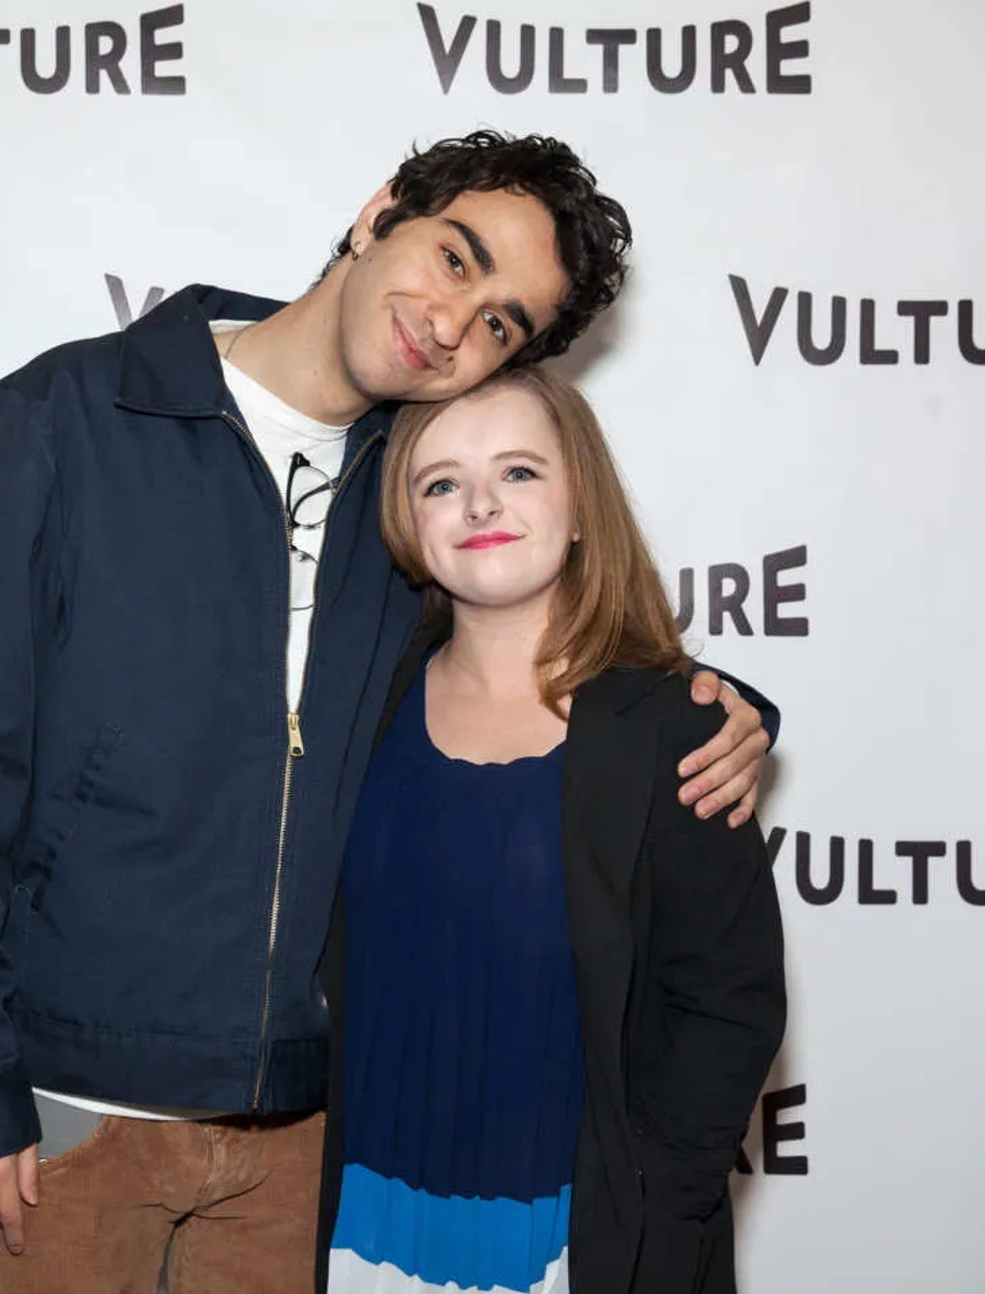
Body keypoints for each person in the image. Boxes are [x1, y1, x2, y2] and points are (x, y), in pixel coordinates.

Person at [0, 131, 781, 1294]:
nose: (452, 322)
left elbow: (537, 660)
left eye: (500, 322)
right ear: (380, 211)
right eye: (456, 258)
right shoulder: (65, 420)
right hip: (65, 1126)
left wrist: (724, 706)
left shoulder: (418, 483)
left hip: (312, 1147)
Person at [316, 367, 787, 1294]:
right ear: (406, 526)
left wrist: (659, 1201)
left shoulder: (679, 731)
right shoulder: (355, 705)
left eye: (520, 471)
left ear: (581, 508)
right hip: (358, 1226)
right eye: (440, 481)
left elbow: (727, 1003)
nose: (480, 501)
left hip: (581, 1242)